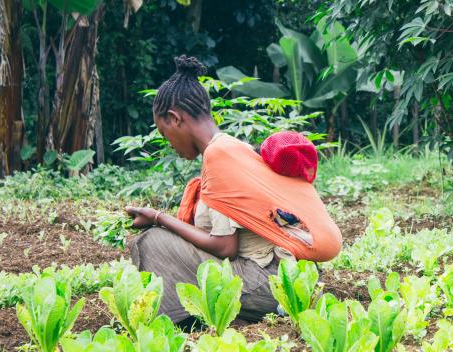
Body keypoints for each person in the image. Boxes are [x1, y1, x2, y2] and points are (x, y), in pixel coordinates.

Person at [125, 55, 342, 325]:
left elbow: (225, 246)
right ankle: (227, 318)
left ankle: (192, 321)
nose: (169, 143)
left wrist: (158, 217)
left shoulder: (218, 157)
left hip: (270, 283)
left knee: (153, 241)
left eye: (164, 133)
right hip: (289, 278)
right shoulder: (231, 147)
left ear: (174, 118)